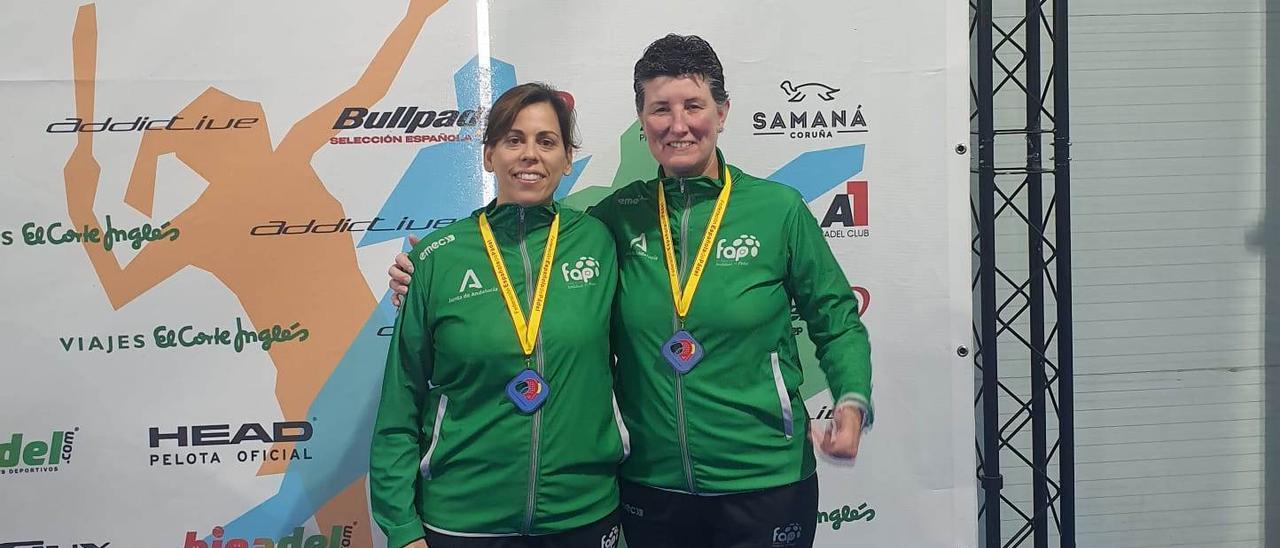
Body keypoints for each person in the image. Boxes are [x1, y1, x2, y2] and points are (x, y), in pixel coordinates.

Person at [391, 35, 871, 548]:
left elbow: (836, 317)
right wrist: (428, 268)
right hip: (650, 485)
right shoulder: (613, 222)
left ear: (723, 111)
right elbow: (524, 245)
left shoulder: (779, 210)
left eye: (693, 105)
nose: (678, 124)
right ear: (642, 121)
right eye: (660, 108)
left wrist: (851, 399)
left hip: (766, 479)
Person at [371, 83, 627, 548]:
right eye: (514, 140)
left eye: (546, 141)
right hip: (463, 519)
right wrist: (402, 529)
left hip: (582, 513)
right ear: (489, 155)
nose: (530, 154)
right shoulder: (436, 258)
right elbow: (399, 402)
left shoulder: (601, 242)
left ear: (567, 159)